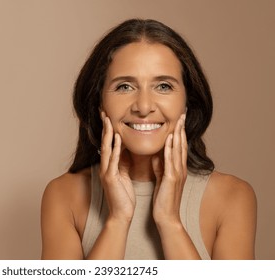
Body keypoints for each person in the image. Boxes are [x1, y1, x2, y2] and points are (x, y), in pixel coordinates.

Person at [40, 19, 257, 259]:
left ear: (187, 102)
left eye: (163, 86)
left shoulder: (233, 198)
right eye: (124, 86)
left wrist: (170, 222)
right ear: (100, 101)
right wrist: (117, 220)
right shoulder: (63, 196)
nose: (143, 107)